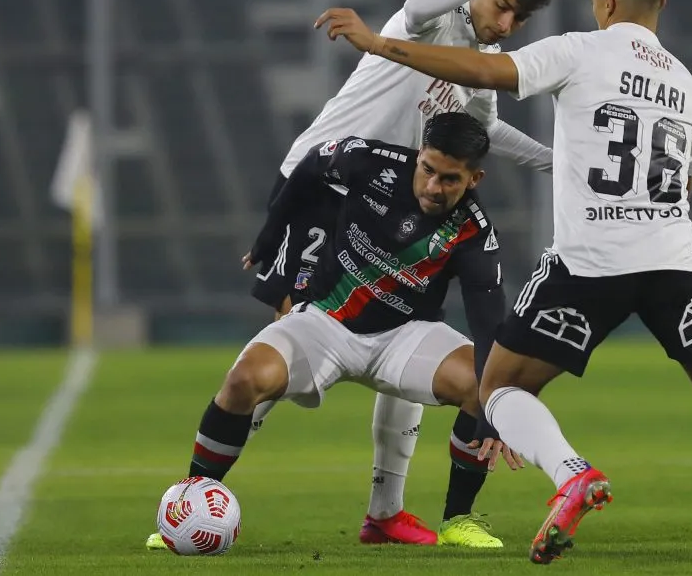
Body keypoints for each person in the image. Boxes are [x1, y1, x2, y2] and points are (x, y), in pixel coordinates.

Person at [316, 0, 692, 567]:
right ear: (661, 4)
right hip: (673, 261)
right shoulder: (689, 88)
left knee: (498, 387)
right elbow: (684, 186)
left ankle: (573, 474)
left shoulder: (580, 51)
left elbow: (481, 73)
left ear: (605, 2)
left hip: (589, 265)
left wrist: (381, 44)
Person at [143, 0, 558, 551]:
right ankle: (192, 500)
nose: (504, 24)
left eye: (518, 19)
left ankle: (385, 512)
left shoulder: (478, 63)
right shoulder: (429, 22)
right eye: (502, 4)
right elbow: (418, 1)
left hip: (401, 200)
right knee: (287, 341)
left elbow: (484, 132)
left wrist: (558, 161)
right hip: (324, 188)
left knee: (408, 323)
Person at [172, 114, 522, 552]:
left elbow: (488, 325)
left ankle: (457, 519)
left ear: (474, 179)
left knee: (482, 384)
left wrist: (493, 406)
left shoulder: (474, 232)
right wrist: (269, 237)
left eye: (450, 179)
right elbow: (310, 165)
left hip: (404, 334)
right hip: (323, 322)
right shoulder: (372, 162)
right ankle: (187, 506)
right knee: (244, 379)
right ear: (419, 155)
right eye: (428, 169)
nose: (433, 186)